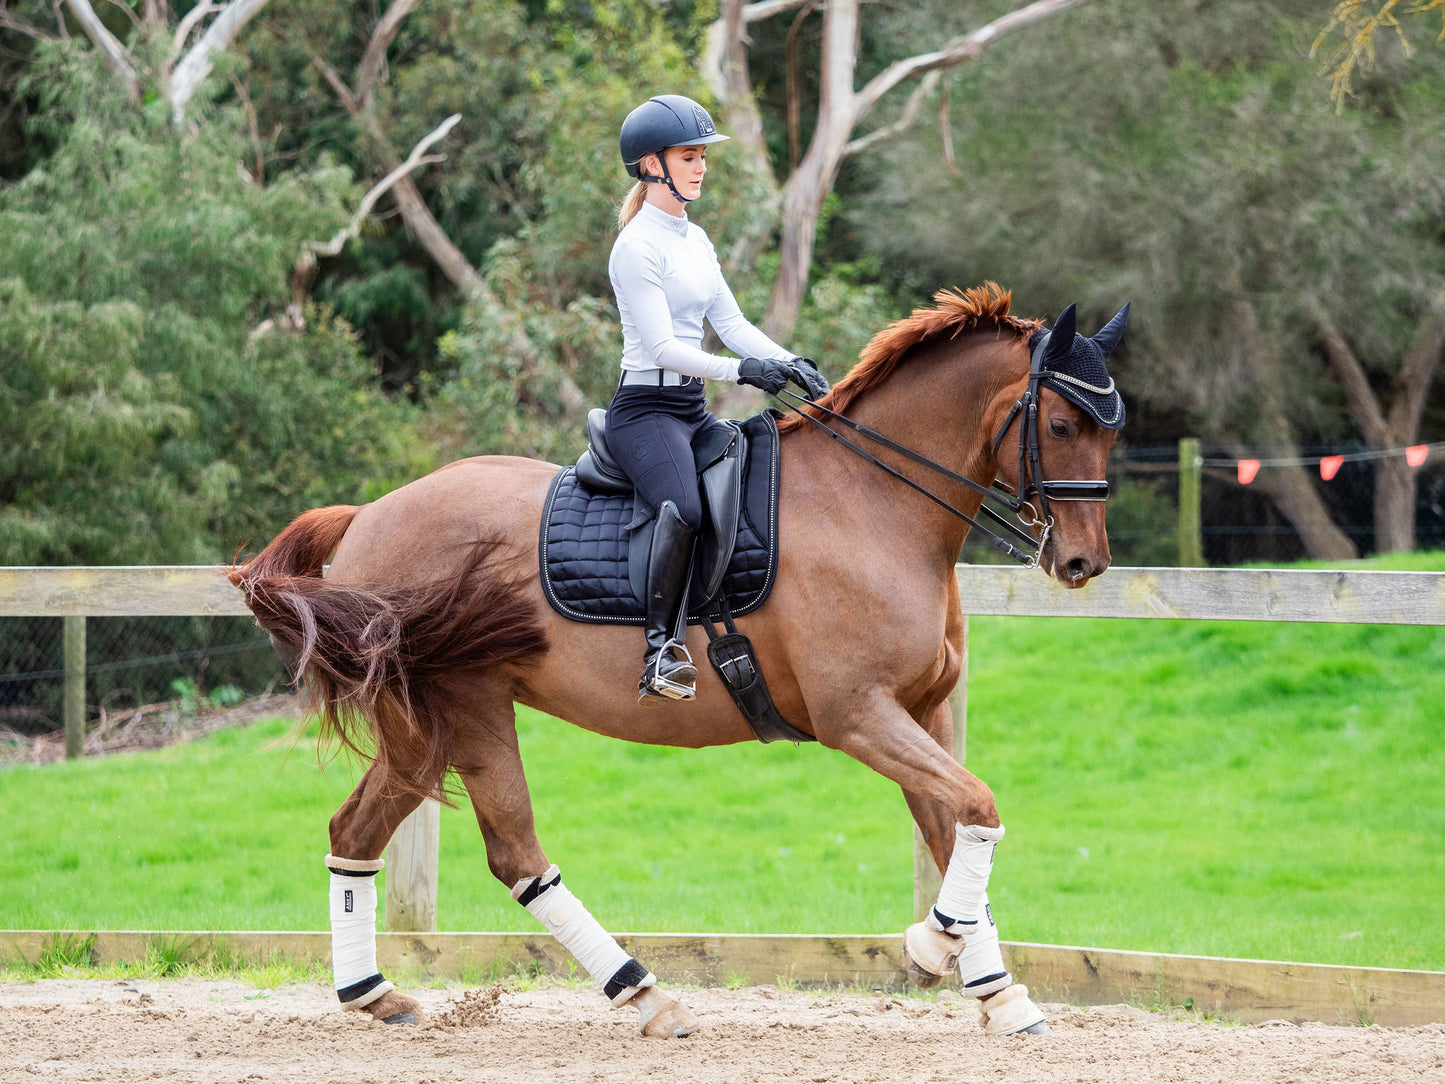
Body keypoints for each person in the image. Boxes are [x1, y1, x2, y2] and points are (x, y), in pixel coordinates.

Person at [608, 93, 828, 705]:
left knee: (760, 485)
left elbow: (732, 324)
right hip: (645, 412)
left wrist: (787, 361)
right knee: (685, 507)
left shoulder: (695, 240)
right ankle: (660, 650)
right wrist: (744, 371)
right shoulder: (636, 247)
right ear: (652, 164)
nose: (701, 167)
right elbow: (663, 348)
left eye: (703, 156)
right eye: (688, 156)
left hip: (690, 411)